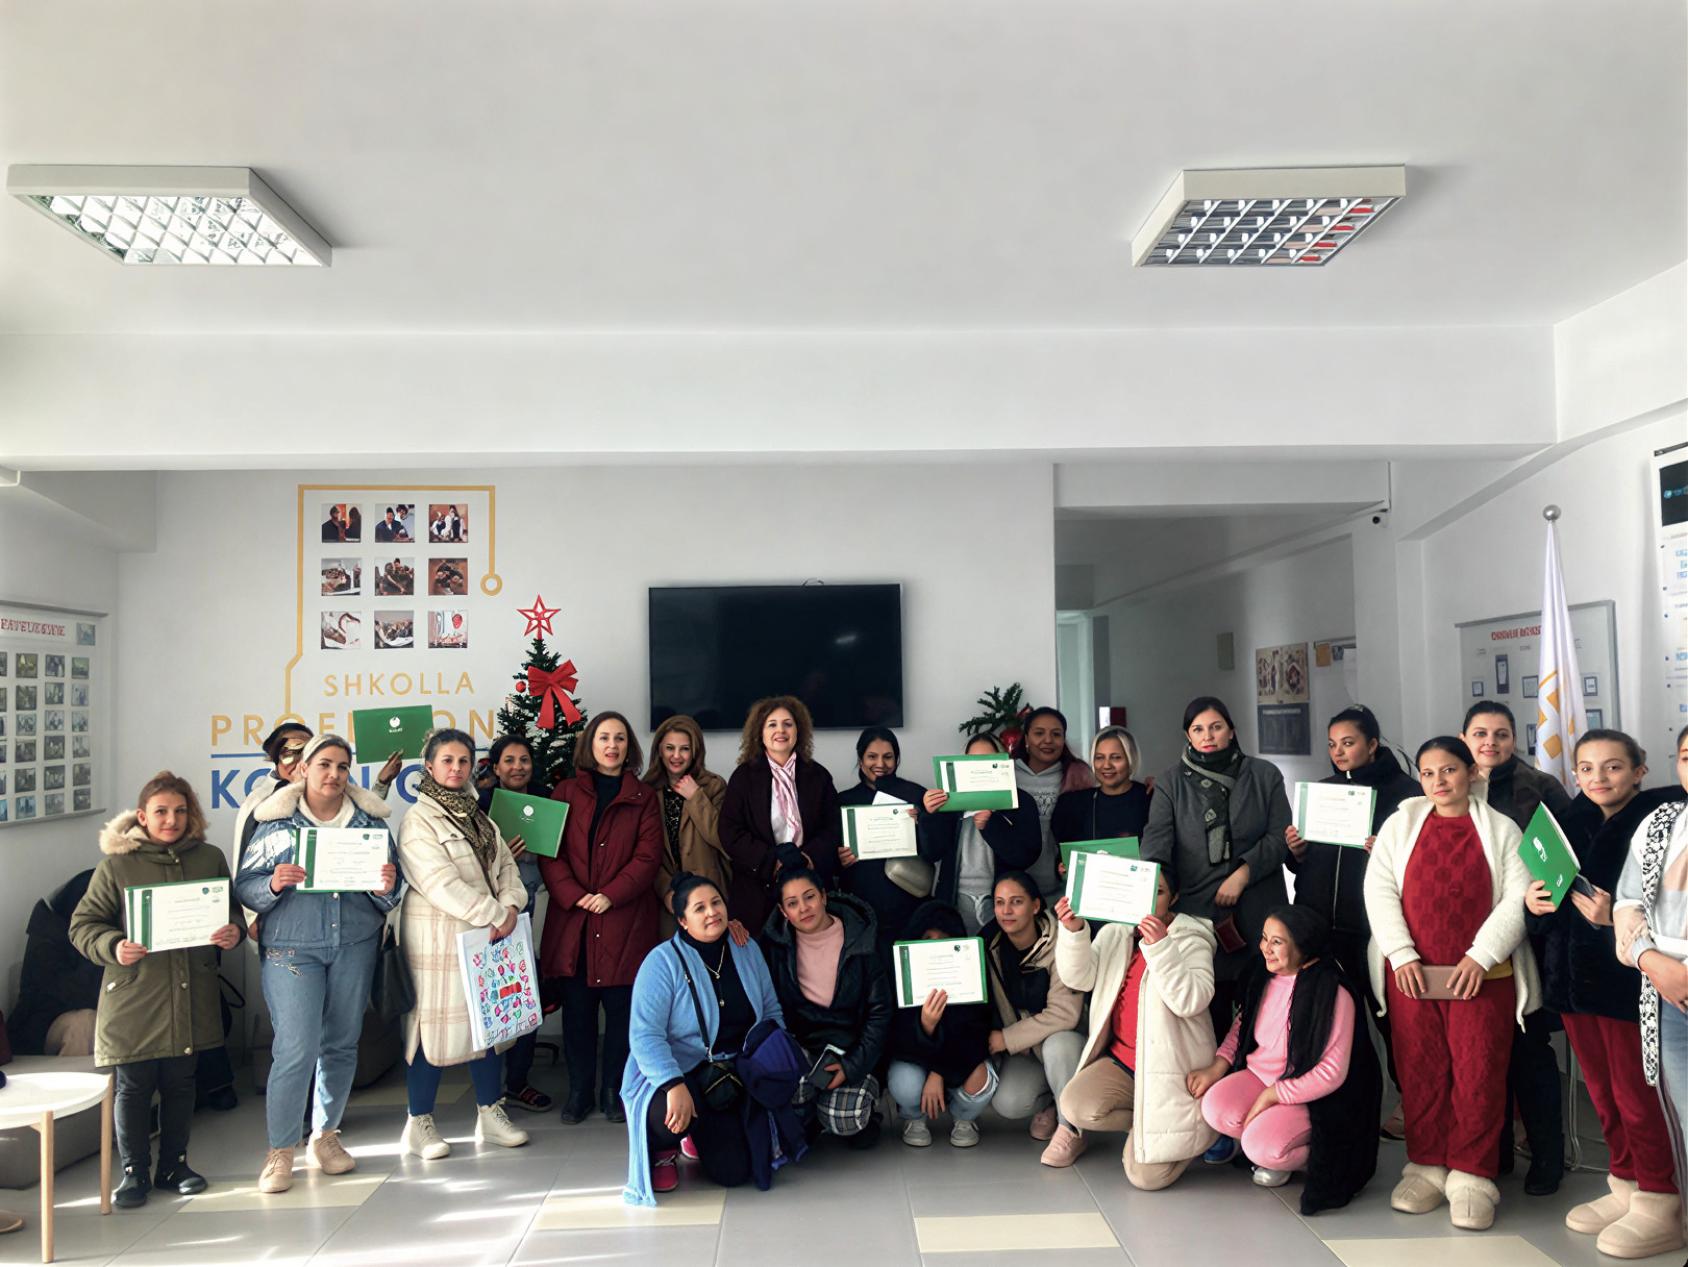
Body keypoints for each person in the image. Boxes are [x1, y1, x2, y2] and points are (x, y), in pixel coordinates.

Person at [1364, 736, 1537, 1232]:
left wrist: (1480, 956)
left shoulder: (1501, 829)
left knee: (1479, 1073)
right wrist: (1401, 953)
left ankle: (1472, 1174)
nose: (1439, 782)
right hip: (1412, 976)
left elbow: (1519, 897)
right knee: (1420, 1071)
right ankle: (1426, 1165)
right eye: (1428, 772)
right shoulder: (1400, 825)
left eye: (1449, 771)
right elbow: (1378, 890)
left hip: (1481, 977)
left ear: (1471, 773)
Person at [1531, 730, 1683, 1259]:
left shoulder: (1663, 819)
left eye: (1614, 767)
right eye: (1588, 768)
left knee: (1639, 1096)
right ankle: (1626, 1182)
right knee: (1602, 1095)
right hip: (1572, 985)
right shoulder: (1565, 822)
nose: (1599, 778)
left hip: (1628, 985)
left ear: (1640, 770)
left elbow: (1666, 905)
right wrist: (1535, 899)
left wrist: (1607, 921)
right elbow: (1542, 892)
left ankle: (1662, 1199)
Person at [236, 735, 402, 1194]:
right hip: (292, 949)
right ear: (303, 769)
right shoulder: (275, 823)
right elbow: (245, 885)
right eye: (324, 765)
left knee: (343, 1043)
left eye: (342, 767)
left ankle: (326, 1137)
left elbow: (392, 890)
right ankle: (281, 1149)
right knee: (295, 1048)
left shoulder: (368, 824)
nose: (333, 775)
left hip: (354, 944)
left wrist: (385, 884)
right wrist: (270, 884)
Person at [68, 773, 243, 1207]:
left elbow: (234, 915)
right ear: (142, 816)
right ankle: (133, 1174)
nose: (171, 820)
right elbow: (82, 925)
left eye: (180, 811)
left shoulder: (210, 858)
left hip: (191, 992)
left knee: (182, 1083)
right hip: (135, 997)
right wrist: (114, 945)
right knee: (134, 1087)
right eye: (161, 812)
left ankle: (174, 1165)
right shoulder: (117, 866)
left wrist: (232, 933)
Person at [396, 729, 531, 1159]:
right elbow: (440, 884)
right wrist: (496, 915)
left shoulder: (478, 815)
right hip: (438, 938)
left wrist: (510, 905)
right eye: (447, 761)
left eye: (463, 761)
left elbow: (506, 865)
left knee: (489, 1022)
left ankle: (490, 1113)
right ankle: (419, 1122)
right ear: (430, 767)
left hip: (488, 936)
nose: (456, 768)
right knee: (431, 1029)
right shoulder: (418, 820)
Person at [1191, 906, 1380, 1212]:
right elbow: (1242, 1028)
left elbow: (1331, 1073)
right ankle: (1269, 1139)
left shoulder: (1331, 990)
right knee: (1215, 1108)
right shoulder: (1261, 975)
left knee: (1259, 1145)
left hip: (1309, 1095)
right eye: (1265, 938)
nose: (1266, 948)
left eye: (1277, 942)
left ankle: (1293, 1155)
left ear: (1303, 944)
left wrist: (1274, 1095)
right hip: (1260, 1076)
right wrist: (1218, 1066)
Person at [1285, 704, 1418, 1130]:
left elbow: (1419, 861)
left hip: (1372, 927)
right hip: (1321, 924)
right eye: (1332, 744)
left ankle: (1413, 1102)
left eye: (1348, 743)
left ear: (1372, 744)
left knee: (1388, 1019)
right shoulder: (1321, 791)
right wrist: (1297, 851)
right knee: (1326, 1018)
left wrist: (1387, 851)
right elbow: (1303, 866)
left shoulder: (1405, 795)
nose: (1338, 752)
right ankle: (1331, 1103)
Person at [622, 873, 785, 1204]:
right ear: (682, 921)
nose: (712, 913)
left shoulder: (746, 947)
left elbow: (771, 1012)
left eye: (716, 903)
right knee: (670, 1121)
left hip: (734, 1072)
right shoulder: (661, 962)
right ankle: (665, 1147)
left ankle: (698, 1134)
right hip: (680, 1072)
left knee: (736, 1172)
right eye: (699, 908)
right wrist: (672, 1084)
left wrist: (776, 1059)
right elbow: (644, 1035)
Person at [1462, 699, 1569, 1194]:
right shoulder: (1456, 783)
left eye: (1501, 734)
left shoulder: (1539, 788)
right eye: (1480, 734)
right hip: (1464, 940)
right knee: (1485, 1055)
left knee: (1529, 1052)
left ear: (1514, 739)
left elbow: (1566, 861)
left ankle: (1548, 1156)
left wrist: (1534, 895)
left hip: (1529, 940)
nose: (1490, 743)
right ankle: (1497, 1152)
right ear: (1465, 739)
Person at [1054, 867, 1219, 1185]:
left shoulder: (1192, 938)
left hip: (1173, 1071)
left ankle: (1197, 1128)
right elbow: (1079, 978)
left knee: (1146, 1179)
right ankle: (1146, 1124)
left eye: (1157, 892)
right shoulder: (1116, 933)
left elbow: (1191, 1001)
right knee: (1075, 1106)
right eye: (1141, 889)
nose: (1147, 900)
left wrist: (1160, 946)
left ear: (1174, 898)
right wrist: (1073, 930)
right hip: (1124, 1063)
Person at [1140, 696, 1292, 1035]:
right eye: (1198, 729)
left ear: (1232, 731)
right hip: (1197, 911)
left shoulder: (1264, 775)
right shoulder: (1171, 783)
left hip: (1258, 906)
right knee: (1210, 1012)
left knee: (1265, 1007)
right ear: (1188, 737)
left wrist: (1243, 873)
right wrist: (1154, 886)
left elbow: (1279, 836)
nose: (1207, 735)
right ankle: (1219, 1082)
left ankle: (1261, 1079)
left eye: (1216, 727)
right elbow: (1157, 840)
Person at [542, 712, 662, 1124]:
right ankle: (579, 1092)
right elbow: (550, 853)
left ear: (630, 747)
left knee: (622, 1014)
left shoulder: (644, 796)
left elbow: (648, 858)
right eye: (604, 738)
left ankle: (615, 1089)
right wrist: (577, 897)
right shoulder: (565, 792)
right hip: (574, 921)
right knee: (577, 1014)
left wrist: (610, 896)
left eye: (620, 739)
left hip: (624, 921)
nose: (612, 745)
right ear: (590, 744)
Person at [1616, 726, 1688, 1260]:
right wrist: (1649, 960)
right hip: (1664, 990)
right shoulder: (1661, 821)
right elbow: (1626, 903)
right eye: (1687, 757)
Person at [761, 868, 891, 1147]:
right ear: (783, 912)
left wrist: (851, 1066)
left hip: (851, 1048)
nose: (803, 908)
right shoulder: (775, 947)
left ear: (823, 897)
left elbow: (879, 1014)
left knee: (846, 1118)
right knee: (789, 1092)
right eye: (792, 903)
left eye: (809, 897)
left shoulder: (862, 938)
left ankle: (840, 1113)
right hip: (804, 1048)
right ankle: (809, 1115)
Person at [474, 735, 554, 1113]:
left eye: (524, 760)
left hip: (535, 909)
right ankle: (489, 1091)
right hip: (491, 914)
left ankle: (519, 1081)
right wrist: (500, 853)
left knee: (527, 996)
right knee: (492, 999)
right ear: (495, 765)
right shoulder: (480, 804)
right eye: (509, 760)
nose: (518, 767)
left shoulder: (546, 800)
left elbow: (560, 850)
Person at [980, 872, 1084, 1159]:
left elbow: (1065, 1015)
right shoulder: (989, 946)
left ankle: (1071, 1128)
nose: (1006, 911)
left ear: (1036, 905)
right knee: (1010, 1103)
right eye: (1000, 903)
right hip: (1029, 1051)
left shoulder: (1061, 940)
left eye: (1016, 902)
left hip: (1070, 1045)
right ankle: (1052, 1102)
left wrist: (1007, 1038)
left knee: (1058, 1045)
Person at [719, 696, 842, 934]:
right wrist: (771, 862)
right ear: (760, 733)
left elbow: (833, 827)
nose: (780, 730)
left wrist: (806, 859)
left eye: (788, 724)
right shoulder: (743, 777)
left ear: (799, 730)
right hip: (756, 888)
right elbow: (729, 831)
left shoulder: (818, 775)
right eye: (772, 724)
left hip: (808, 883)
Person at [888, 899, 1000, 1148]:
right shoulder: (901, 971)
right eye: (927, 938)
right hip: (915, 1061)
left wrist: (939, 1072)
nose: (934, 946)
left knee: (980, 1076)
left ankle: (964, 1117)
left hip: (955, 1062)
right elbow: (895, 1038)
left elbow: (977, 1034)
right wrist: (925, 1025)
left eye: (942, 938)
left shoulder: (970, 970)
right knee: (905, 1084)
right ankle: (913, 1116)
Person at [921, 733, 1042, 934]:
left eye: (987, 761)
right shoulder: (950, 800)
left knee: (998, 959)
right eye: (971, 761)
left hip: (1003, 903)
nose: (978, 767)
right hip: (955, 898)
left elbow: (1027, 855)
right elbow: (932, 852)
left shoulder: (1021, 800)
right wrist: (930, 815)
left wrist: (992, 825)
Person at [836, 726, 931, 963]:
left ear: (897, 759)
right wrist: (839, 858)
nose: (880, 763)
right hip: (861, 908)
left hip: (908, 903)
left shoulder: (917, 795)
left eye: (888, 757)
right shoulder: (843, 801)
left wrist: (922, 823)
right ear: (860, 760)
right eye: (872, 756)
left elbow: (936, 850)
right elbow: (830, 858)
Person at [642, 714, 730, 936]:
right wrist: (666, 891)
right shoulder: (647, 791)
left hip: (709, 894)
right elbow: (644, 851)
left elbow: (723, 840)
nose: (676, 756)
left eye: (685, 749)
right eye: (670, 748)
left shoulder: (714, 786)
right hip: (666, 897)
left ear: (695, 752)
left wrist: (696, 797)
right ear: (659, 750)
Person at [1009, 706, 1095, 896]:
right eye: (1039, 733)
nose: (1048, 740)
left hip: (1063, 888)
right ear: (1026, 738)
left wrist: (1149, 785)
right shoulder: (1006, 774)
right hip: (1013, 886)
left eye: (1056, 734)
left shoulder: (1078, 775)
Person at [1051, 726, 1151, 865]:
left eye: (1116, 758)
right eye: (1099, 758)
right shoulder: (1073, 804)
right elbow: (1065, 855)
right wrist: (1062, 867)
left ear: (1130, 759)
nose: (1106, 765)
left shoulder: (1151, 800)